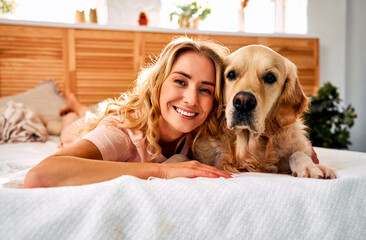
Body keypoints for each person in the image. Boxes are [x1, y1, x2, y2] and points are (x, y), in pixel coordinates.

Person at [24, 37, 232, 188]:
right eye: (180, 81)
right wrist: (162, 171)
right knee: (71, 124)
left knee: (89, 113)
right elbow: (39, 175)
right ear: (158, 83)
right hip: (77, 133)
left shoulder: (200, 131)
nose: (191, 99)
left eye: (205, 90)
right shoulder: (122, 133)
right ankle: (73, 107)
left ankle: (79, 108)